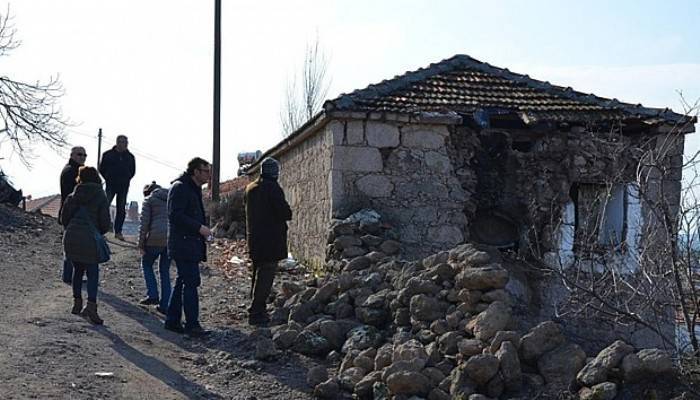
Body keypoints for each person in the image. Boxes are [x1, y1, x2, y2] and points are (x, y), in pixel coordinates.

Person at [164, 157, 211, 337]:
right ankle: (192, 324)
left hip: (190, 243)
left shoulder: (193, 189)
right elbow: (175, 215)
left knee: (183, 281)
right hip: (182, 244)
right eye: (205, 171)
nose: (208, 175)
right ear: (195, 172)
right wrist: (199, 228)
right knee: (191, 282)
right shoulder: (181, 188)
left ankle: (172, 320)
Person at [60, 166, 111, 325]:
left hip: (72, 237)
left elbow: (63, 219)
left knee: (77, 271)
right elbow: (104, 222)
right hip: (90, 238)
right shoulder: (100, 195)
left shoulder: (73, 195)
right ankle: (91, 307)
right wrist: (99, 232)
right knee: (92, 273)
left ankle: (77, 303)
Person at [245, 157, 292, 325]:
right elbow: (285, 212)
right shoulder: (273, 188)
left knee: (257, 274)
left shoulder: (251, 188)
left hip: (255, 239)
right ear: (275, 173)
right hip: (271, 241)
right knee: (266, 275)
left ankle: (255, 308)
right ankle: (257, 311)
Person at [137, 181, 171, 313]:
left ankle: (153, 294)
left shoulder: (149, 200)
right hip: (170, 239)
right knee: (165, 271)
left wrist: (140, 244)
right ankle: (165, 305)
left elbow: (144, 224)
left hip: (154, 238)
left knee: (146, 264)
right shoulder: (171, 197)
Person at [99, 135, 135, 240]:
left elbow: (132, 171)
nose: (123, 144)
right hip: (110, 184)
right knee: (105, 206)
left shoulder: (130, 157)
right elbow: (102, 168)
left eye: (125, 142)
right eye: (121, 142)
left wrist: (126, 178)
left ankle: (118, 231)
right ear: (117, 142)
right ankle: (101, 229)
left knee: (121, 209)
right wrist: (108, 177)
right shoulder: (108, 155)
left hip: (123, 186)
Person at [58, 146, 87, 284]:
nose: (83, 157)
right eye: (80, 154)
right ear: (72, 155)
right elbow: (72, 194)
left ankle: (70, 275)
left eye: (84, 155)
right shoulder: (71, 171)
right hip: (71, 213)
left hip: (70, 212)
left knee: (72, 245)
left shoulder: (73, 170)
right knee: (72, 246)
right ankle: (69, 275)